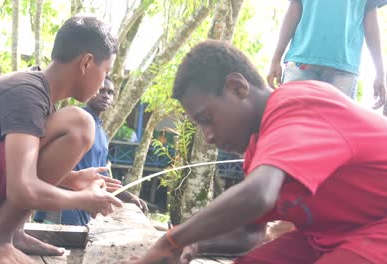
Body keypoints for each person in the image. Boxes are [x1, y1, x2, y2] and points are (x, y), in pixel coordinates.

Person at [127, 40, 387, 264]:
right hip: (332, 233)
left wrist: (171, 240)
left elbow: (257, 196)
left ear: (237, 87)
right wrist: (193, 244)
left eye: (207, 118)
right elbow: (250, 232)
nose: (209, 135)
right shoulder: (258, 150)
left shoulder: (298, 103)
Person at [0, 16, 124, 264]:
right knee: (80, 124)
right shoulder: (27, 92)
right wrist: (85, 200)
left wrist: (73, 180)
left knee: (75, 123)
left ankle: (11, 233)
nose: (104, 82)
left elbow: (17, 162)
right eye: (106, 72)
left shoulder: (40, 96)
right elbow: (22, 189)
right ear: (86, 63)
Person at [34, 76, 148, 226]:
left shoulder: (101, 132)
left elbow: (103, 178)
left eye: (110, 92)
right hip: (61, 205)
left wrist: (129, 197)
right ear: (92, 90)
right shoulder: (76, 121)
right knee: (56, 244)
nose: (106, 95)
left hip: (84, 208)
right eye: (101, 90)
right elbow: (49, 165)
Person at [267, 0, 386, 109]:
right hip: (301, 64)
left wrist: (380, 72)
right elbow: (294, 9)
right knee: (290, 122)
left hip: (343, 71)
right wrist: (276, 59)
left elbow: (371, 21)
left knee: (336, 128)